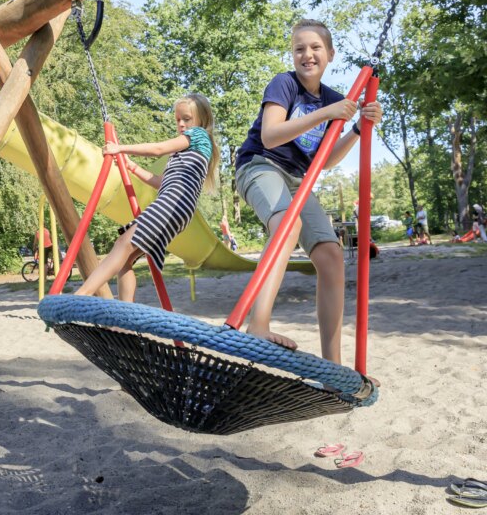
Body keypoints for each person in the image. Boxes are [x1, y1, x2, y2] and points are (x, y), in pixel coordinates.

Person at [235, 19, 382, 365]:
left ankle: (333, 365)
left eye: (315, 47)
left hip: (299, 177)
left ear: (329, 54)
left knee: (331, 256)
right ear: (293, 54)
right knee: (288, 224)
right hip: (260, 165)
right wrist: (328, 114)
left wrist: (357, 129)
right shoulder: (284, 84)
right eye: (299, 48)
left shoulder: (333, 99)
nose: (307, 54)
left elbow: (326, 159)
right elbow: (271, 136)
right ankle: (257, 324)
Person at [76, 93, 219, 301]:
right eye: (178, 119)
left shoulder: (198, 135)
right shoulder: (187, 152)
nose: (181, 124)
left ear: (201, 119)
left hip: (174, 201)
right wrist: (131, 167)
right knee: (125, 258)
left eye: (186, 119)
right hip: (178, 204)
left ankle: (83, 293)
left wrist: (120, 148)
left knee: (124, 243)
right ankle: (123, 319)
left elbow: (158, 149)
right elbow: (161, 182)